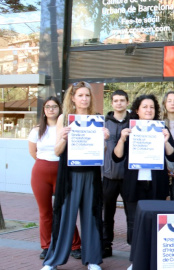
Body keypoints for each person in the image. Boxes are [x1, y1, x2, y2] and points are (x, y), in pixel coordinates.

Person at [42, 81, 109, 270]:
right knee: (64, 217)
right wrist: (63, 137)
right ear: (73, 98)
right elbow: (57, 151)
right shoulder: (64, 118)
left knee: (91, 215)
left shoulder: (96, 118)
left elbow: (101, 153)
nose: (84, 99)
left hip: (91, 174)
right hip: (69, 174)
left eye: (87, 95)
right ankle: (53, 261)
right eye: (80, 95)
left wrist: (104, 140)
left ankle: (93, 259)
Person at [112, 94, 174, 245]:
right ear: (137, 110)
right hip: (134, 184)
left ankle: (152, 261)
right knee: (134, 224)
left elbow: (173, 156)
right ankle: (135, 261)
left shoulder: (162, 128)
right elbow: (117, 157)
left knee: (156, 223)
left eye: (152, 107)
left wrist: (165, 142)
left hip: (157, 184)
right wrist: (122, 139)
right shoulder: (128, 128)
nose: (149, 110)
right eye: (145, 107)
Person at [28, 97, 82, 260]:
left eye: (54, 106)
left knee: (66, 210)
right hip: (41, 172)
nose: (51, 109)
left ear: (60, 109)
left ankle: (75, 245)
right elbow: (33, 152)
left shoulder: (66, 128)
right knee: (45, 212)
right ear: (44, 110)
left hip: (62, 171)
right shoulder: (36, 130)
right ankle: (46, 246)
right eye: (47, 107)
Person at [101, 90, 129, 258]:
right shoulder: (103, 123)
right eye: (116, 100)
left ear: (127, 102)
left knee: (131, 214)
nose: (119, 103)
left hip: (128, 177)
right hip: (108, 176)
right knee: (107, 213)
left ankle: (133, 245)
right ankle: (105, 245)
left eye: (122, 100)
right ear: (112, 103)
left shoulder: (134, 123)